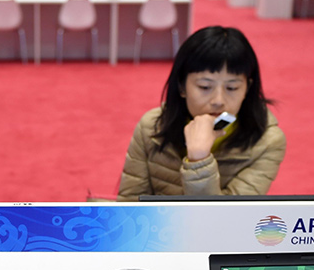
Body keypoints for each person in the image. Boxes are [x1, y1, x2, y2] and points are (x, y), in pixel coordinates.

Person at [117, 26, 285, 200]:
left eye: (232, 87)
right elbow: (130, 205)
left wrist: (199, 160)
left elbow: (223, 219)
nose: (218, 100)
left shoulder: (267, 141)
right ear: (182, 86)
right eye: (205, 87)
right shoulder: (151, 126)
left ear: (247, 89)